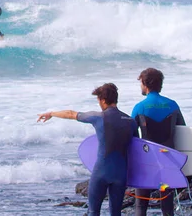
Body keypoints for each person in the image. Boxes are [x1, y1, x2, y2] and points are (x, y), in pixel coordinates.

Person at [37, 83, 137, 216]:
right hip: (121, 174)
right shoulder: (131, 121)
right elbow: (136, 149)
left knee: (93, 211)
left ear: (102, 100)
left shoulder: (99, 117)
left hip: (101, 172)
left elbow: (71, 114)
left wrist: (51, 113)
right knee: (116, 212)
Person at [131, 68, 186, 216]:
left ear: (145, 83)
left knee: (141, 206)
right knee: (167, 207)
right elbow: (183, 132)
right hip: (167, 162)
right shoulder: (173, 105)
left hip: (146, 163)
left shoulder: (140, 107)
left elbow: (131, 136)